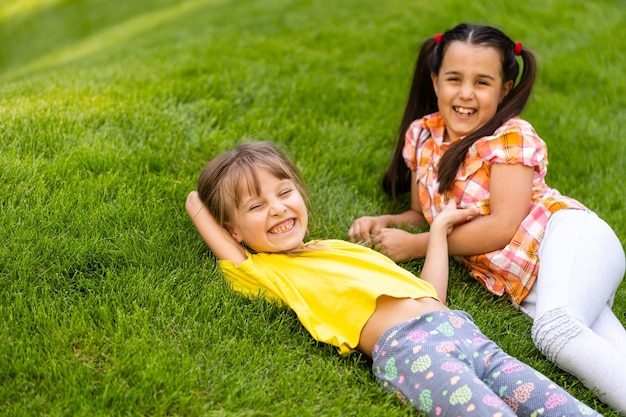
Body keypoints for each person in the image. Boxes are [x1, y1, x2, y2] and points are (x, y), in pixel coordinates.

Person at [186, 140, 601, 416]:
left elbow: (432, 296)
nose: (277, 209)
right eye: (256, 205)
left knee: (560, 406)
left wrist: (437, 232)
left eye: (283, 193)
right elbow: (197, 207)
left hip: (464, 333)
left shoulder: (337, 248)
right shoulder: (265, 271)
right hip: (412, 352)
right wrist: (220, 183)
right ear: (235, 231)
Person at [347, 23, 626, 414]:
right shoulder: (423, 136)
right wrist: (386, 221)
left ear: (504, 89)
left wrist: (415, 245)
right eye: (454, 79)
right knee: (598, 345)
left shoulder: (509, 137)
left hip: (567, 237)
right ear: (434, 80)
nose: (465, 94)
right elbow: (419, 212)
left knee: (556, 331)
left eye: (482, 82)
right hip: (532, 283)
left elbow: (501, 226)